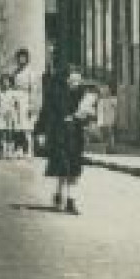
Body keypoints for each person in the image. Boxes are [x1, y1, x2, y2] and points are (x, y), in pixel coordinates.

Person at [45, 65, 96, 214]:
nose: (76, 83)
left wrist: (86, 115)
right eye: (73, 80)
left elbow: (89, 115)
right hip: (61, 135)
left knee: (74, 168)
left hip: (76, 135)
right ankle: (61, 195)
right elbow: (51, 115)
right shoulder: (58, 94)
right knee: (63, 166)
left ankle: (69, 200)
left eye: (78, 80)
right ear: (67, 80)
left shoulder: (83, 95)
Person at [0, 73, 24, 158]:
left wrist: (18, 117)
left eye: (7, 81)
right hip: (2, 114)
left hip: (10, 114)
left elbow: (17, 105)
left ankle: (10, 151)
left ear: (10, 83)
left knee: (10, 133)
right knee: (2, 133)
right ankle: (3, 151)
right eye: (3, 81)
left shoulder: (13, 93)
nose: (5, 83)